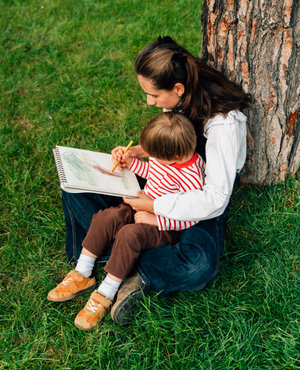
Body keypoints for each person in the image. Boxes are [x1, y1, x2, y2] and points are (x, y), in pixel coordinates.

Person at [60, 35, 251, 325]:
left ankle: (133, 267)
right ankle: (117, 256)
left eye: (154, 95)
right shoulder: (179, 97)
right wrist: (142, 152)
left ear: (178, 89)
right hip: (161, 182)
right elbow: (170, 146)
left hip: (196, 201)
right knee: (77, 186)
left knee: (198, 263)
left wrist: (154, 206)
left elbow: (215, 198)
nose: (150, 102)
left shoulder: (224, 124)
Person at [48, 112, 205, 331]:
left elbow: (192, 215)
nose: (154, 159)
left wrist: (155, 219)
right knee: (107, 217)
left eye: (157, 156)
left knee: (129, 235)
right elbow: (153, 172)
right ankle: (83, 272)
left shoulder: (192, 176)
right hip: (142, 206)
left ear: (176, 156)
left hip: (164, 225)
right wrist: (131, 162)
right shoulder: (164, 156)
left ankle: (106, 293)